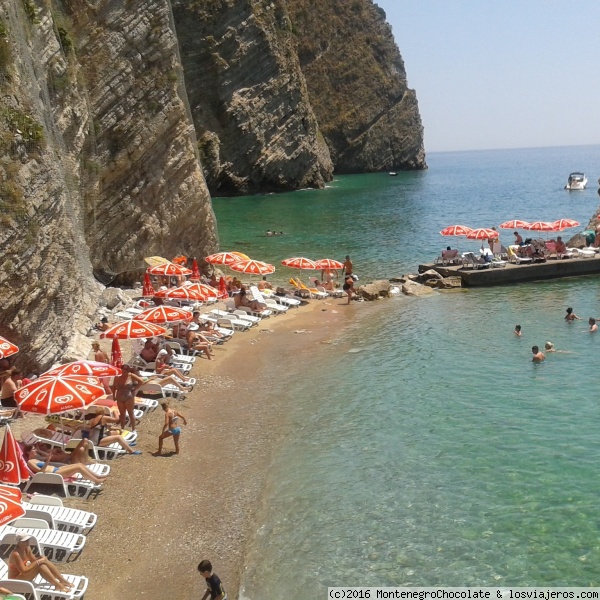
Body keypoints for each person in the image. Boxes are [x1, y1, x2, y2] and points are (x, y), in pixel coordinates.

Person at [8, 534, 73, 592]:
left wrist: (41, 560)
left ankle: (62, 580)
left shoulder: (27, 548)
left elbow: (34, 560)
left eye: (28, 540)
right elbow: (24, 571)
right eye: (25, 541)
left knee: (42, 560)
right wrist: (38, 561)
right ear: (19, 543)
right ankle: (58, 585)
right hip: (15, 581)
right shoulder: (16, 554)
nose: (27, 542)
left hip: (23, 576)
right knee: (40, 565)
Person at [26, 447, 108, 485]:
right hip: (55, 473)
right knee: (78, 468)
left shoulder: (37, 458)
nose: (36, 451)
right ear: (28, 452)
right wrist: (47, 461)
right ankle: (96, 480)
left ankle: (97, 476)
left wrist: (41, 452)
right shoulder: (30, 462)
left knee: (79, 464)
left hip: (57, 469)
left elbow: (46, 457)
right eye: (34, 450)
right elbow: (40, 472)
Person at [112, 364, 145, 431]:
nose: (124, 373)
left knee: (130, 413)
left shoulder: (130, 376)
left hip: (129, 397)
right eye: (123, 372)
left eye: (125, 372)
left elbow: (141, 381)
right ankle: (122, 428)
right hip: (119, 397)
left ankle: (133, 429)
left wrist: (135, 390)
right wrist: (113, 396)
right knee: (122, 414)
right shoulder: (117, 377)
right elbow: (114, 387)